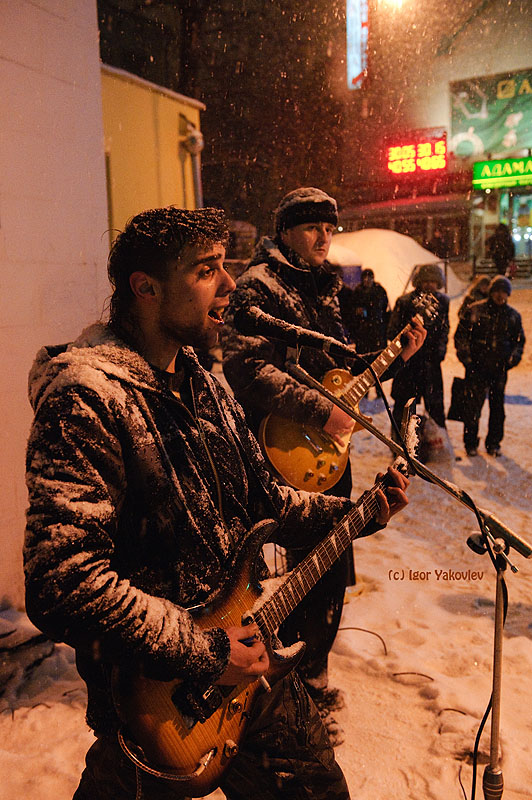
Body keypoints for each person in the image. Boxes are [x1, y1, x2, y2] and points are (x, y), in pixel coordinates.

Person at [23, 206, 413, 800]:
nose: (231, 284)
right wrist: (205, 651)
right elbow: (62, 578)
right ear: (146, 288)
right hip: (158, 708)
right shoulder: (86, 402)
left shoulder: (203, 384)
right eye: (208, 269)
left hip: (252, 672)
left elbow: (263, 499)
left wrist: (360, 511)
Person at [220, 187, 426, 744]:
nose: (324, 237)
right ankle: (277, 690)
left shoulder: (324, 288)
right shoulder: (260, 287)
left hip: (324, 456)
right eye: (311, 227)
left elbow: (340, 379)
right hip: (279, 454)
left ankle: (311, 674)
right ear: (284, 230)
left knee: (331, 565)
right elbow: (246, 368)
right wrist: (320, 411)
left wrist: (394, 356)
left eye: (329, 228)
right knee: (287, 575)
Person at [454, 275, 525, 457]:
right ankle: (470, 444)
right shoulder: (475, 310)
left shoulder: (513, 316)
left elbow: (519, 341)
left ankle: (494, 443)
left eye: (504, 292)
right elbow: (461, 336)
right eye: (497, 291)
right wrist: (467, 359)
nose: (500, 295)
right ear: (491, 291)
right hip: (476, 368)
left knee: (497, 409)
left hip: (499, 370)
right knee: (472, 408)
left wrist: (512, 359)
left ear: (508, 294)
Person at [387, 263, 449, 438]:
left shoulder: (443, 302)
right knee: (404, 408)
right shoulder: (405, 302)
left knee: (436, 408)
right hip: (408, 364)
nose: (430, 284)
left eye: (433, 281)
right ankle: (399, 446)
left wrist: (440, 351)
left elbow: (444, 329)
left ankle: (439, 446)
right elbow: (392, 331)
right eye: (426, 280)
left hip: (431, 363)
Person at [339, 268, 390, 353]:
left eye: (370, 278)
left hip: (377, 331)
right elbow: (353, 312)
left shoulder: (380, 291)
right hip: (363, 332)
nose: (367, 281)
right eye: (365, 278)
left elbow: (385, 311)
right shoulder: (358, 292)